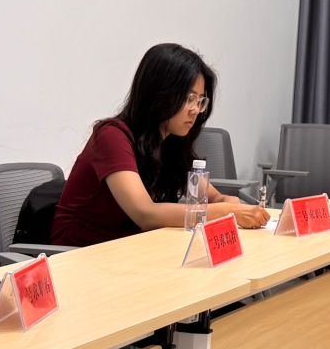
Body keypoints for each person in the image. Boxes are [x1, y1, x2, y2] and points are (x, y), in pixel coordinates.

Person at [51, 42, 269, 247]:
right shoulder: (111, 136)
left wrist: (225, 200)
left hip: (131, 249)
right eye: (189, 98)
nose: (195, 110)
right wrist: (224, 211)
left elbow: (212, 196)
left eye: (200, 101)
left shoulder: (171, 140)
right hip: (81, 254)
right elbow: (145, 213)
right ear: (159, 93)